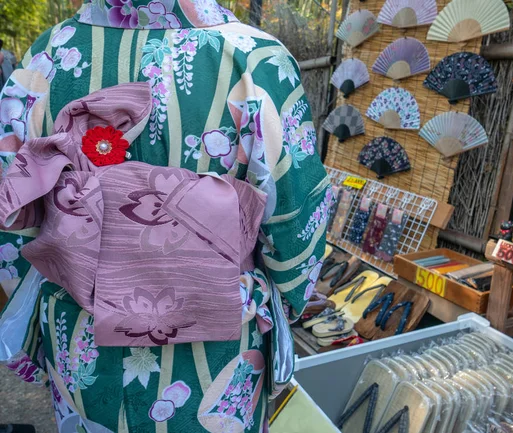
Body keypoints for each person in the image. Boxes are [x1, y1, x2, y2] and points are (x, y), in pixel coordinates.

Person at [0, 1, 330, 432]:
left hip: (79, 330)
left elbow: (13, 223)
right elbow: (295, 215)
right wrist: (284, 297)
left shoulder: (47, 55)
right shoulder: (252, 56)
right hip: (218, 337)